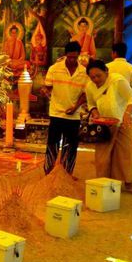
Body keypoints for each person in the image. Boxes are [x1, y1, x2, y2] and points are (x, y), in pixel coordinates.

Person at [85, 59, 132, 192]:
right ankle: (103, 183)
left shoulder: (117, 81)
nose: (96, 79)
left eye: (98, 76)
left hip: (124, 122)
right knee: (102, 156)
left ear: (106, 72)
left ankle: (127, 183)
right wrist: (95, 113)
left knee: (125, 154)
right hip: (104, 124)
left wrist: (127, 114)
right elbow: (91, 104)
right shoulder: (89, 86)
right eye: (92, 77)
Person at [41, 41, 88, 175]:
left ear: (79, 55)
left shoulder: (84, 72)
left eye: (75, 57)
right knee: (52, 144)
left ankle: (66, 175)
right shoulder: (54, 69)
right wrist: (45, 90)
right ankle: (48, 173)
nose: (72, 60)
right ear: (66, 55)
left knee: (71, 146)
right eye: (70, 57)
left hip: (73, 116)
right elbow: (48, 87)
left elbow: (85, 95)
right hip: (56, 113)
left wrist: (75, 107)